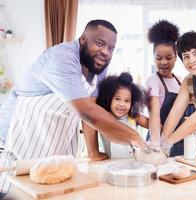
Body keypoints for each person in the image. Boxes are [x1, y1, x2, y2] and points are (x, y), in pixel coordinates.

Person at [0, 19, 146, 193]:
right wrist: (135, 136)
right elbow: (87, 112)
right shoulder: (61, 58)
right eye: (100, 43)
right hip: (21, 137)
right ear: (83, 39)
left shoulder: (97, 65)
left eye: (111, 48)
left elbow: (92, 108)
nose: (105, 52)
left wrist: (94, 152)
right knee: (18, 191)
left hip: (58, 140)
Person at [85, 72, 148, 158]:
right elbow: (88, 120)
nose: (122, 104)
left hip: (133, 164)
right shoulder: (103, 117)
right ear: (109, 98)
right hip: (111, 165)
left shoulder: (133, 117)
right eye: (117, 99)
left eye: (127, 101)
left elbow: (154, 126)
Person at [145, 20, 185, 157]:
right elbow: (154, 114)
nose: (163, 62)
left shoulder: (180, 80)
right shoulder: (153, 81)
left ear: (176, 58)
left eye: (168, 58)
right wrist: (157, 145)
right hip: (160, 140)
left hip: (180, 141)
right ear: (153, 58)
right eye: (158, 58)